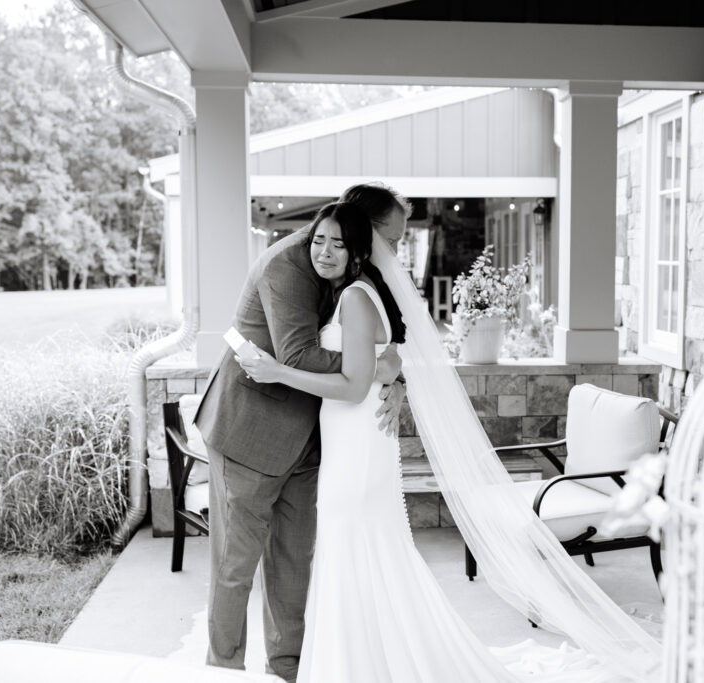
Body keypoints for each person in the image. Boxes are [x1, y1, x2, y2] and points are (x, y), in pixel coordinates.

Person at [242, 202, 534, 682]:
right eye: (319, 240)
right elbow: (377, 361)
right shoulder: (355, 295)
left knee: (350, 551)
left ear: (359, 252)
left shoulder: (355, 298)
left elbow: (354, 387)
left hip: (356, 448)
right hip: (353, 444)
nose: (326, 252)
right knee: (363, 555)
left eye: (339, 244)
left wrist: (277, 372)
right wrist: (389, 369)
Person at [193, 183, 410, 681]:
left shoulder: (356, 275)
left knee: (293, 566)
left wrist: (395, 374)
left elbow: (372, 345)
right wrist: (379, 366)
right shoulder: (288, 265)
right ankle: (222, 672)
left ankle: (287, 671)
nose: (395, 251)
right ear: (364, 226)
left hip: (312, 441)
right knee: (235, 568)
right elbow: (295, 355)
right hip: (250, 431)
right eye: (392, 239)